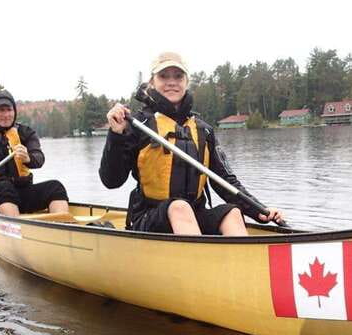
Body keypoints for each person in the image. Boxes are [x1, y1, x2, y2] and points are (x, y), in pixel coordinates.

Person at [99, 52, 283, 235]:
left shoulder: (203, 130)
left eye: (178, 76)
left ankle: (241, 262)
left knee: (232, 213)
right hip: (149, 217)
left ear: (186, 82)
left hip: (194, 215)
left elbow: (226, 181)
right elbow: (111, 181)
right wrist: (116, 135)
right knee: (179, 207)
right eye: (163, 76)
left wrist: (259, 211)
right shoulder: (137, 125)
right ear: (152, 82)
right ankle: (200, 261)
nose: (172, 82)